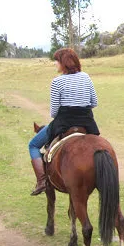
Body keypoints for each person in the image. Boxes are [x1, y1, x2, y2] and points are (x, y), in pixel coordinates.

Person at [28, 48, 100, 195]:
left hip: (63, 123)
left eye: (57, 61)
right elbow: (94, 102)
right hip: (87, 122)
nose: (55, 64)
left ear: (63, 63)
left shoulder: (57, 81)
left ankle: (42, 180)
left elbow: (54, 112)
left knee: (33, 145)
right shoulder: (86, 77)